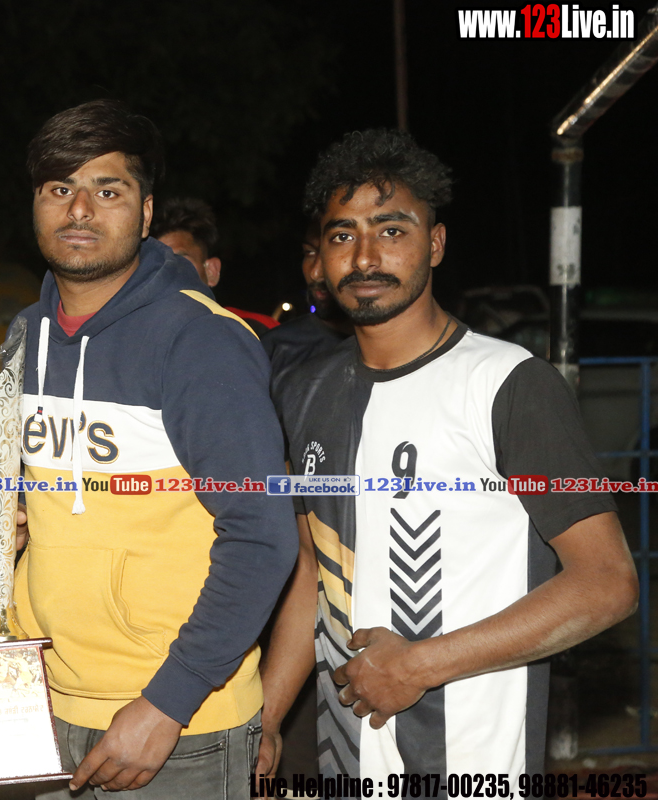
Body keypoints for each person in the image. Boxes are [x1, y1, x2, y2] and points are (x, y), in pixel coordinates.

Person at [261, 128, 637, 782]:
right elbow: (309, 567)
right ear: (319, 256)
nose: (366, 255)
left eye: (392, 230)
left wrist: (418, 665)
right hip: (345, 758)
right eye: (343, 235)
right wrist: (266, 719)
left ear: (435, 243)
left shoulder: (508, 384)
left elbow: (606, 583)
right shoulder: (301, 391)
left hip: (473, 767)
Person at [8, 99, 297, 798]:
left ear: (144, 213)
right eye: (59, 188)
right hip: (44, 702)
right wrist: (3, 522)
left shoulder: (199, 340)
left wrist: (169, 702)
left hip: (178, 724)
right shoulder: (22, 336)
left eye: (107, 190)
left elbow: (261, 534)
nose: (80, 210)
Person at [150, 196, 280, 334]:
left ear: (211, 271)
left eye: (180, 260)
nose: (168, 272)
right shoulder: (142, 335)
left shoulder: (258, 330)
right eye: (158, 265)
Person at [259, 223, 352, 398]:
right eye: (310, 253)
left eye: (333, 251)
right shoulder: (274, 350)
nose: (315, 272)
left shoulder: (402, 348)